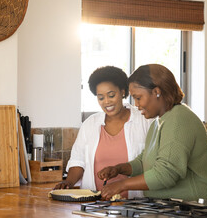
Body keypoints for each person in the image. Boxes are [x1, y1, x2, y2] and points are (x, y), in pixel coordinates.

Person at [98, 64, 207, 202]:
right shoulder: (158, 122)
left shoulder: (179, 119)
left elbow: (165, 174)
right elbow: (144, 162)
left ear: (156, 92)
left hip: (200, 209)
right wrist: (118, 169)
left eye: (138, 97)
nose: (136, 104)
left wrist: (121, 185)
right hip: (179, 208)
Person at [54, 66, 152, 199]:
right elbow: (78, 161)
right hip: (94, 203)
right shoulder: (90, 124)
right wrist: (68, 183)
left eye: (111, 95)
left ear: (123, 92)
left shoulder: (144, 120)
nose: (106, 101)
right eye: (101, 97)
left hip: (135, 203)